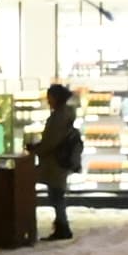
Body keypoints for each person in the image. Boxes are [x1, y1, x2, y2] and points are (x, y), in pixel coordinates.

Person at [37, 83, 83, 239]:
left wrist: (38, 149)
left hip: (56, 162)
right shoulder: (65, 114)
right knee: (57, 194)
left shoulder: (59, 116)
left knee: (56, 195)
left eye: (50, 97)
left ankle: (62, 227)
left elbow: (51, 140)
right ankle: (61, 226)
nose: (48, 100)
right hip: (59, 161)